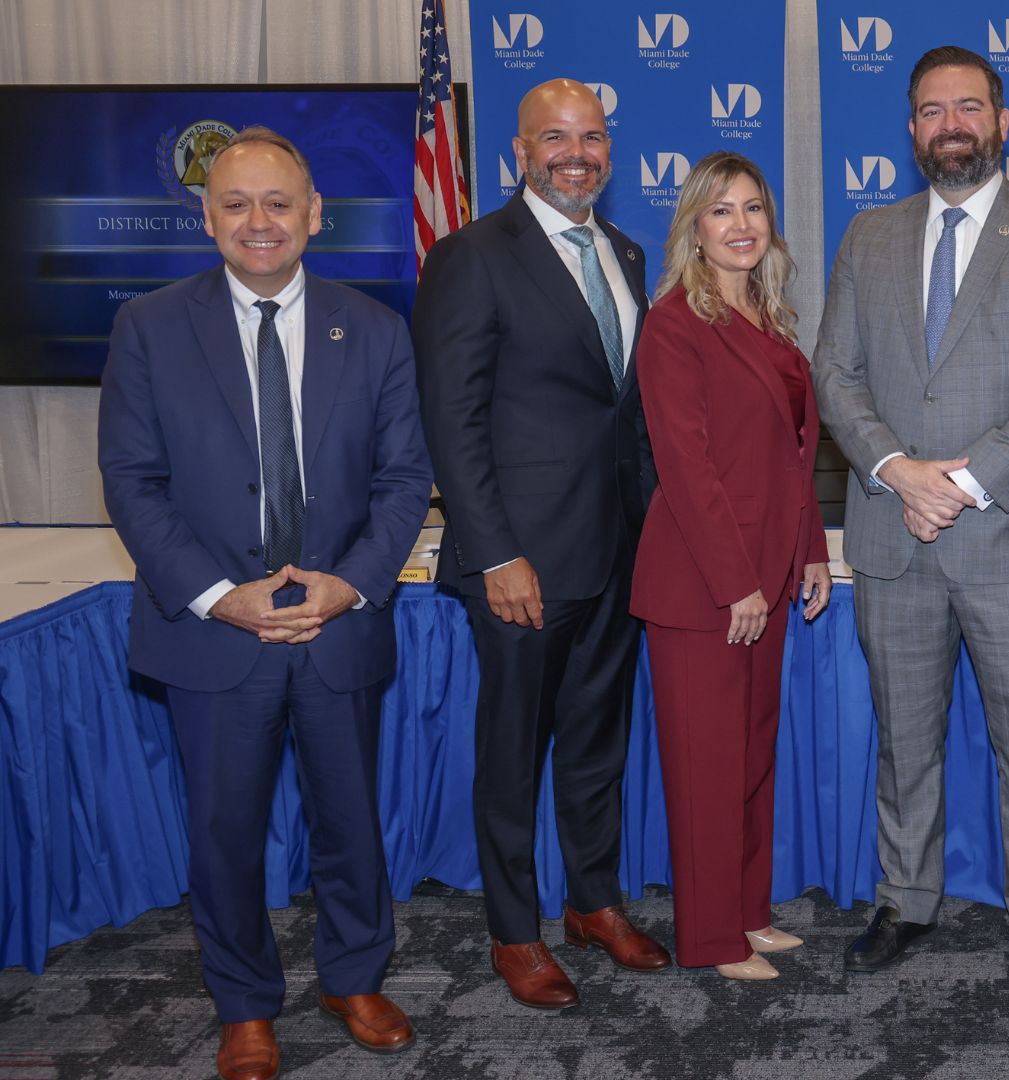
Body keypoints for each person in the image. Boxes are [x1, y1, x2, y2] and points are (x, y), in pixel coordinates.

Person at [98, 127, 431, 1080]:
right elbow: (131, 482)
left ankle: (354, 978)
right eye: (236, 203)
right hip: (215, 635)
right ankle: (244, 1004)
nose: (259, 222)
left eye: (278, 203)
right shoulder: (150, 327)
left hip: (337, 625)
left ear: (314, 215)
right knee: (225, 834)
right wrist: (219, 598)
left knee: (350, 822)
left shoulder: (375, 329)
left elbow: (405, 479)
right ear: (206, 218)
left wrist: (350, 583)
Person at [812, 44, 1009, 995]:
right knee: (905, 745)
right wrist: (898, 471)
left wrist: (963, 484)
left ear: (1002, 121)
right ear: (912, 128)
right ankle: (905, 900)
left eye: (969, 108)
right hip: (894, 538)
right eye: (934, 111)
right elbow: (835, 375)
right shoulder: (869, 235)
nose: (952, 126)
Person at [413, 78, 668, 1010]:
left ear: (610, 150)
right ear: (519, 153)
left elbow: (623, 410)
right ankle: (514, 932)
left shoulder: (626, 251)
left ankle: (592, 903)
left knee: (598, 742)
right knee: (513, 754)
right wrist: (494, 552)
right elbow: (452, 419)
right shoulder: (472, 255)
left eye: (591, 137)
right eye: (555, 138)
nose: (576, 154)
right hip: (519, 561)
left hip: (618, 553)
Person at [629, 151, 832, 981]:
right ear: (694, 228)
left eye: (752, 208)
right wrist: (736, 581)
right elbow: (686, 467)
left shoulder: (771, 319)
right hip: (704, 587)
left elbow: (792, 454)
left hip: (769, 575)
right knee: (706, 769)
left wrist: (810, 551)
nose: (741, 224)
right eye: (721, 210)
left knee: (749, 759)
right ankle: (711, 938)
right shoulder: (675, 323)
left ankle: (747, 914)